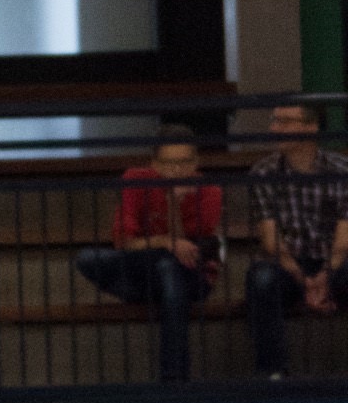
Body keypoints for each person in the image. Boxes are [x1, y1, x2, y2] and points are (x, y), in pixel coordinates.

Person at [74, 129, 224, 383]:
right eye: (168, 163)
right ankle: (158, 297)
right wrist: (164, 242)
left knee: (170, 268)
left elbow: (187, 254)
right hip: (146, 265)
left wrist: (173, 203)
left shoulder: (209, 190)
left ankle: (174, 378)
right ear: (154, 163)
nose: (176, 170)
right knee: (88, 259)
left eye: (184, 162)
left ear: (196, 162)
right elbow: (125, 242)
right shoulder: (135, 179)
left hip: (192, 274)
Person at [245, 100, 348, 377]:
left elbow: (344, 240)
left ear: (311, 127)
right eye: (274, 121)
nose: (274, 128)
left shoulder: (342, 170)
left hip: (334, 260)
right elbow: (271, 242)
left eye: (285, 122)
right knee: (261, 279)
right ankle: (273, 374)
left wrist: (325, 275)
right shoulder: (264, 172)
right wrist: (304, 280)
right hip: (288, 262)